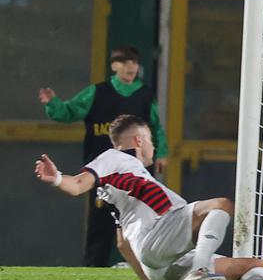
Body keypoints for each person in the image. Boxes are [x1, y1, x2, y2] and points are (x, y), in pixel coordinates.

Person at [34, 114, 263, 280]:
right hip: (159, 238)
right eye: (152, 141)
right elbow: (78, 185)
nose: (154, 149)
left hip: (162, 263)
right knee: (221, 204)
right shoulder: (114, 158)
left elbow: (122, 243)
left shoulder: (126, 182)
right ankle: (199, 272)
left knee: (257, 265)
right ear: (139, 140)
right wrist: (56, 178)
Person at [39, 45, 170, 267]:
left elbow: (156, 127)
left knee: (143, 220)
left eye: (134, 63)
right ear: (114, 66)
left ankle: (146, 266)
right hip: (103, 174)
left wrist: (162, 152)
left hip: (136, 175)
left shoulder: (145, 95)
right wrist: (54, 105)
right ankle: (93, 266)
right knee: (101, 223)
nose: (131, 67)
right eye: (125, 62)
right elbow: (69, 111)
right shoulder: (97, 93)